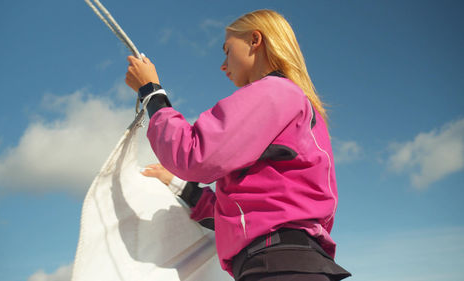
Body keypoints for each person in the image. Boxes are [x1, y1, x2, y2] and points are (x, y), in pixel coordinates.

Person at [125, 9, 351, 281]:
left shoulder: (275, 92)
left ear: (255, 40)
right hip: (289, 264)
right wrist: (176, 184)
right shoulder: (292, 103)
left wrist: (151, 92)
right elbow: (237, 216)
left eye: (227, 50)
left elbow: (194, 155)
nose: (223, 64)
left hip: (277, 267)